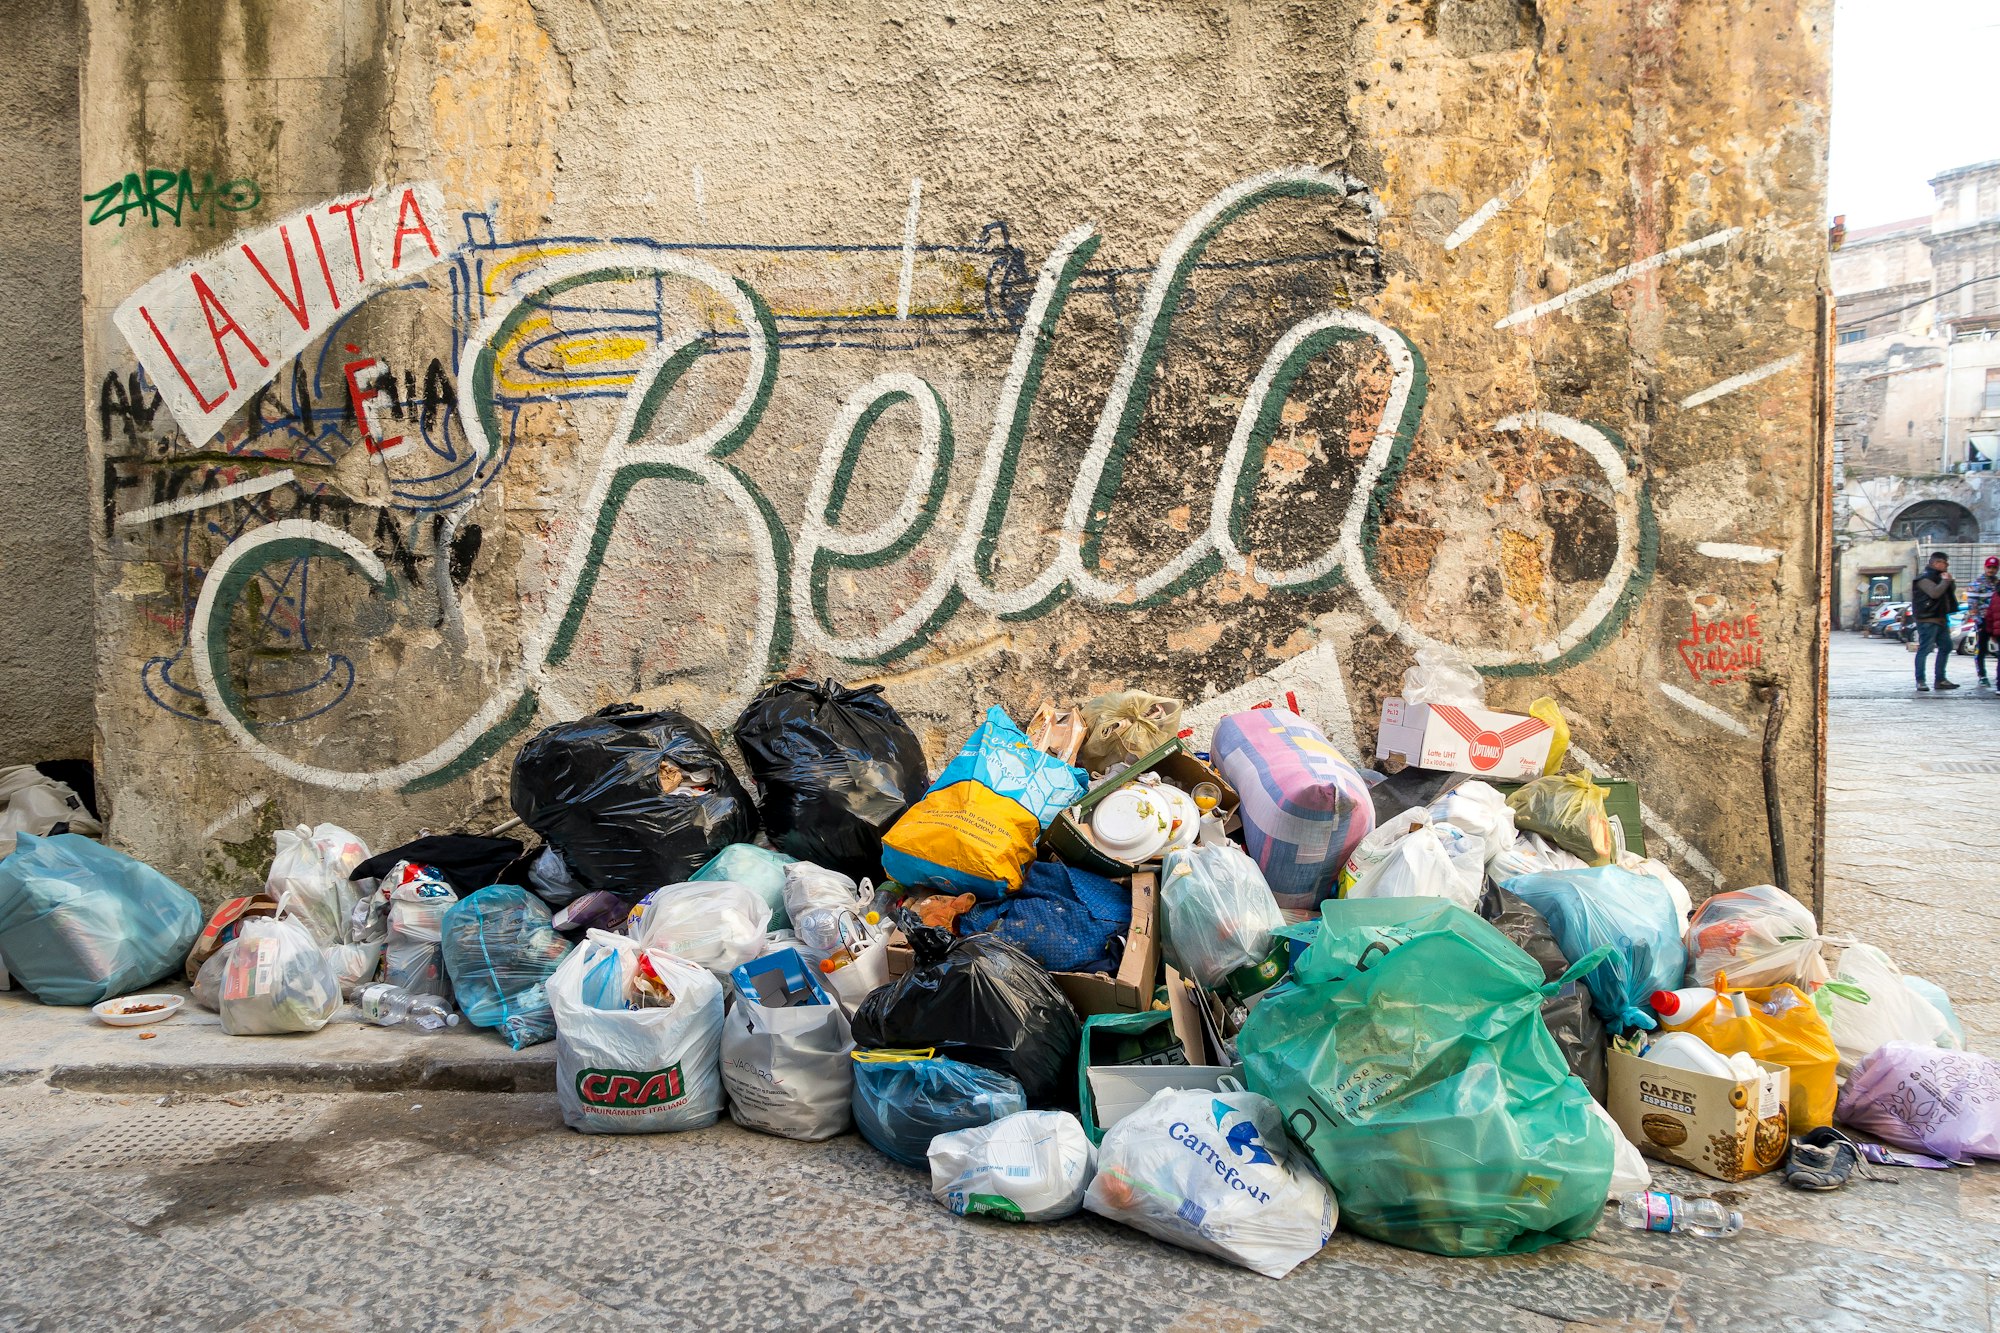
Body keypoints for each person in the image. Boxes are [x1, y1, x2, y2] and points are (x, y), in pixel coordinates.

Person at [1911, 550, 1961, 692]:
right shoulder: (1923, 579)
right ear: (1936, 563)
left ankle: (1940, 679)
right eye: (1944, 562)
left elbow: (1948, 594)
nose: (1947, 565)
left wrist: (1949, 582)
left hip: (1940, 619)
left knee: (1946, 647)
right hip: (1927, 619)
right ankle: (1920, 680)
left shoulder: (1940, 577)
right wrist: (1945, 581)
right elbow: (1935, 593)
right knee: (1925, 649)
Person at [1974, 556, 2000, 688]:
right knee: (1981, 648)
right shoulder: (1977, 583)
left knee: (1997, 650)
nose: (1991, 570)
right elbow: (1972, 605)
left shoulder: (1998, 583)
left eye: (1994, 567)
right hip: (1983, 621)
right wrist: (1977, 621)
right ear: (1985, 567)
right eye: (1989, 567)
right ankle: (1982, 675)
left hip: (1996, 621)